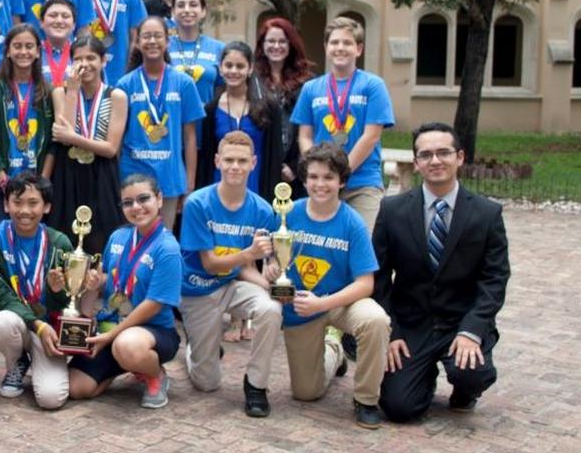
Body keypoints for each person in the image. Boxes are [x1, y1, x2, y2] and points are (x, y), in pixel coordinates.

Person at [374, 122, 510, 422]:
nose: (435, 161)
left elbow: (495, 280)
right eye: (426, 155)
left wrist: (472, 331)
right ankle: (421, 378)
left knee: (470, 372)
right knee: (399, 408)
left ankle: (465, 389)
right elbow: (379, 277)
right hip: (411, 325)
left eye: (443, 153)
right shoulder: (392, 210)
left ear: (460, 157)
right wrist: (391, 331)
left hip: (459, 321)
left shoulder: (487, 214)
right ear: (417, 162)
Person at [271, 142, 390, 429]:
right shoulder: (287, 214)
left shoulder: (352, 223)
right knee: (305, 394)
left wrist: (323, 303)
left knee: (375, 320)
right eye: (313, 177)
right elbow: (273, 261)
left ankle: (366, 399)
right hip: (299, 307)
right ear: (303, 179)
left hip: (340, 303)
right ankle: (334, 351)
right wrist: (271, 270)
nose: (320, 184)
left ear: (342, 181)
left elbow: (365, 284)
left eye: (328, 177)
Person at [178, 131, 282, 417]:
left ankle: (256, 386)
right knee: (206, 383)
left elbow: (246, 270)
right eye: (229, 160)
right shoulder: (198, 204)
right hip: (198, 289)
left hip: (232, 285)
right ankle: (197, 350)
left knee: (270, 309)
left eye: (242, 161)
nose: (235, 166)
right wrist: (249, 253)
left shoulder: (263, 210)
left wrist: (272, 285)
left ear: (253, 163)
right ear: (217, 161)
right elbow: (210, 263)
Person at [69, 174, 183, 409]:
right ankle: (126, 365)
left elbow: (153, 305)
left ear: (159, 199)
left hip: (152, 332)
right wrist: (93, 284)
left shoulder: (168, 249)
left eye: (144, 199)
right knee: (76, 389)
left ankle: (154, 374)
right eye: (128, 202)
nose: (136, 207)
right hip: (111, 327)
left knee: (127, 345)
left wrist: (111, 337)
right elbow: (100, 287)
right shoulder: (118, 237)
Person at [293, 16, 394, 231]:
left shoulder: (373, 85)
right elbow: (305, 135)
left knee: (363, 244)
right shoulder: (311, 88)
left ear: (359, 49)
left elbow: (372, 136)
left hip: (362, 183)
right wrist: (318, 171)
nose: (340, 48)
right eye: (335, 42)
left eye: (347, 43)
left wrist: (340, 172)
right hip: (322, 185)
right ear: (326, 47)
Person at [0, 171, 74, 408]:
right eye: (17, 202)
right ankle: (17, 361)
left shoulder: (60, 243)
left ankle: (41, 360)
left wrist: (57, 291)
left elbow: (66, 303)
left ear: (47, 207)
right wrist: (37, 324)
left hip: (48, 329)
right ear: (6, 204)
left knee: (51, 399)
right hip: (21, 325)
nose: (24, 211)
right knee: (2, 322)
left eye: (33, 203)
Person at [117, 16, 203, 224]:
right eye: (146, 36)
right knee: (133, 241)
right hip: (132, 173)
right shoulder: (125, 84)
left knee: (162, 240)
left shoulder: (184, 83)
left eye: (158, 36)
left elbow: (190, 137)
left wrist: (189, 184)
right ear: (137, 43)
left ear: (168, 42)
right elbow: (118, 138)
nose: (152, 41)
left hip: (169, 177)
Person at [48, 34, 126, 255]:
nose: (85, 64)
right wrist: (73, 91)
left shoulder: (117, 96)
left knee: (102, 238)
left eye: (91, 58)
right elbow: (65, 136)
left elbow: (110, 149)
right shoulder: (60, 92)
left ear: (103, 61)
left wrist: (73, 138)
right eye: (78, 59)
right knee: (67, 236)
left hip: (102, 172)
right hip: (68, 171)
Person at [0, 24, 55, 223]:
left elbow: (54, 142)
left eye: (29, 46)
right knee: (2, 244)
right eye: (17, 46)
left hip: (37, 187)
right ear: (8, 51)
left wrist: (42, 182)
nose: (23, 52)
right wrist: (2, 177)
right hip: (2, 185)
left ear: (38, 51)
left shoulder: (48, 92)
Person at [198, 42, 284, 198]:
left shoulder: (269, 107)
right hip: (220, 186)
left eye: (240, 66)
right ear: (220, 68)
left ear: (250, 69)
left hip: (257, 186)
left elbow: (275, 156)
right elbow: (206, 160)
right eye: (228, 65)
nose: (233, 71)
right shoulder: (211, 110)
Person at [254, 17, 315, 199]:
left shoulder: (307, 82)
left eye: (282, 41)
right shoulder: (253, 80)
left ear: (291, 45)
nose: (276, 46)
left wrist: (297, 166)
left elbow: (309, 128)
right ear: (262, 45)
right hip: (261, 167)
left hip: (294, 172)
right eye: (271, 41)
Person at [167, 0, 224, 105]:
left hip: (206, 120)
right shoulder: (162, 47)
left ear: (203, 11)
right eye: (181, 5)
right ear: (173, 12)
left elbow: (224, 90)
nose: (187, 10)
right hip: (170, 120)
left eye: (193, 5)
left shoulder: (219, 49)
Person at [38, 0, 77, 86]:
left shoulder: (81, 53)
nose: (59, 21)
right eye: (53, 15)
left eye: (65, 16)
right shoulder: (32, 54)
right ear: (41, 22)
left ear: (74, 25)